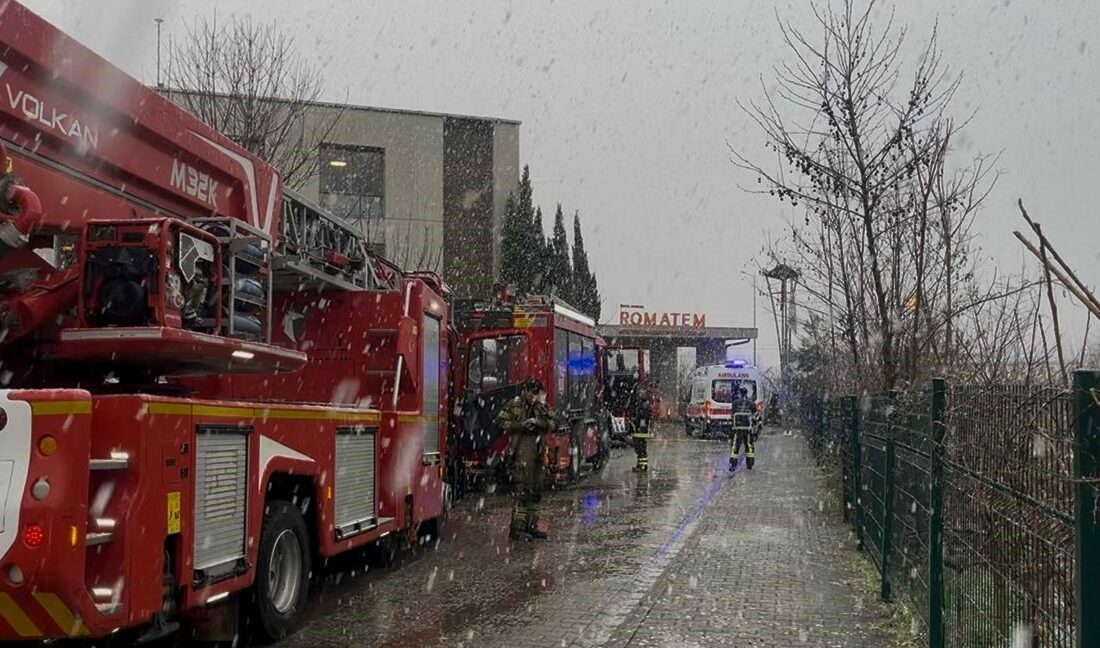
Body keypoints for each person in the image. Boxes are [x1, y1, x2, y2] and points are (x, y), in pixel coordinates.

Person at [496, 378, 555, 540]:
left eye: (536, 393)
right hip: (522, 450)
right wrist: (519, 425)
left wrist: (538, 422)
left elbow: (554, 422)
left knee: (536, 491)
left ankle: (532, 526)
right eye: (531, 392)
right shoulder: (515, 404)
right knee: (523, 491)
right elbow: (500, 421)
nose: (533, 396)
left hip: (539, 450)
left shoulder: (542, 406)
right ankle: (517, 529)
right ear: (526, 391)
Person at [729, 386, 756, 472]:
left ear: (740, 393)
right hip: (747, 428)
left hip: (737, 427)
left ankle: (733, 464)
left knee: (735, 446)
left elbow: (732, 412)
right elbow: (754, 411)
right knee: (749, 445)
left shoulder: (735, 403)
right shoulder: (750, 403)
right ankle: (750, 463)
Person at [631, 384, 653, 472]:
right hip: (641, 432)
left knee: (641, 450)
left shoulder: (644, 406)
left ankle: (642, 467)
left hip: (641, 432)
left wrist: (636, 421)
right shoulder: (643, 405)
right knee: (640, 450)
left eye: (642, 393)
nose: (640, 394)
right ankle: (640, 466)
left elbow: (642, 418)